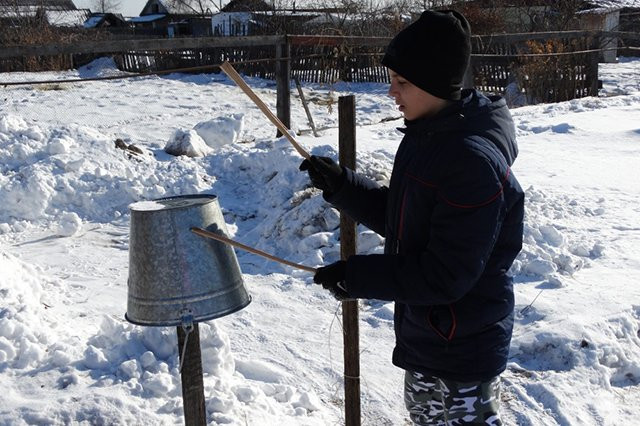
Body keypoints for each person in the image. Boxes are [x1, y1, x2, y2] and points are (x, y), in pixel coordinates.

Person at [300, 9, 525, 426]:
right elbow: (404, 220)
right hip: (427, 336)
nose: (391, 92)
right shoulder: (428, 135)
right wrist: (342, 186)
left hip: (463, 346)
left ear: (436, 83)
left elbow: (446, 274)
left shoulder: (471, 163)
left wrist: (357, 276)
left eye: (402, 82)